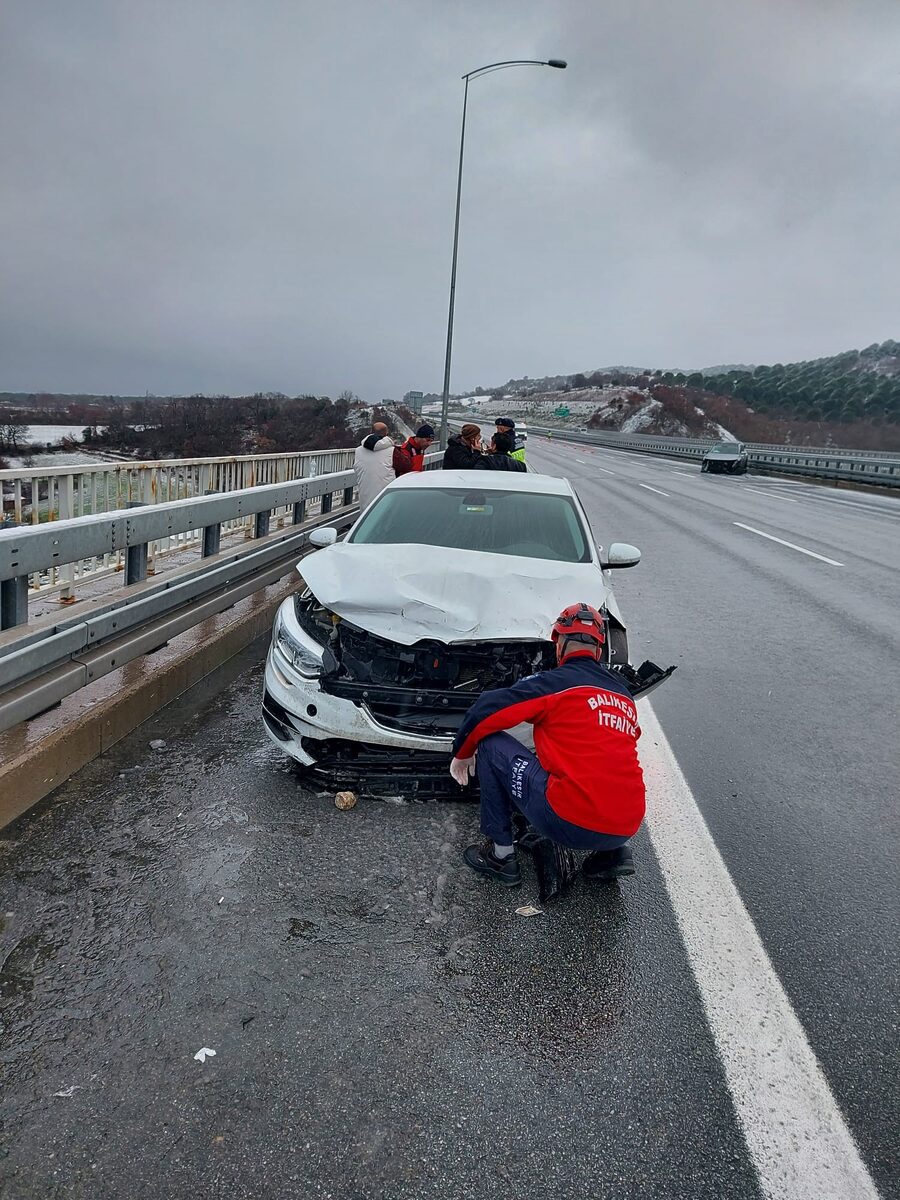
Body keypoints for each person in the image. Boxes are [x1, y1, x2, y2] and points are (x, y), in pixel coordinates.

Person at [449, 603, 644, 887]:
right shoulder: (623, 696)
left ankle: (501, 856)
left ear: (559, 645)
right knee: (604, 760)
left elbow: (487, 709)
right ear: (599, 652)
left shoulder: (553, 684)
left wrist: (462, 753)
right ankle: (611, 855)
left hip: (568, 819)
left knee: (490, 743)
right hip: (626, 825)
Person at [353, 422, 395, 511]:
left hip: (365, 502)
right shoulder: (393, 451)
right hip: (386, 500)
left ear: (371, 431)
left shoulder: (358, 451)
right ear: (386, 433)